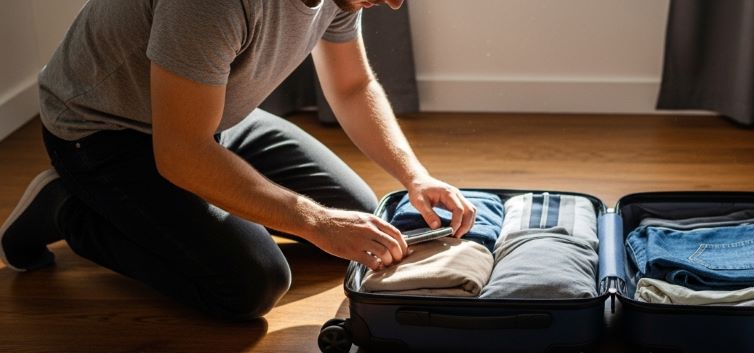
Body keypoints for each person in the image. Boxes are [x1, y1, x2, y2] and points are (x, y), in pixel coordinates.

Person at [0, 0, 476, 319]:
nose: (395, 3)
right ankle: (69, 205)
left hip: (213, 114)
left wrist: (415, 175)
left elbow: (352, 87)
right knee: (252, 284)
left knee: (356, 209)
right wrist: (315, 221)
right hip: (104, 132)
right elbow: (182, 153)